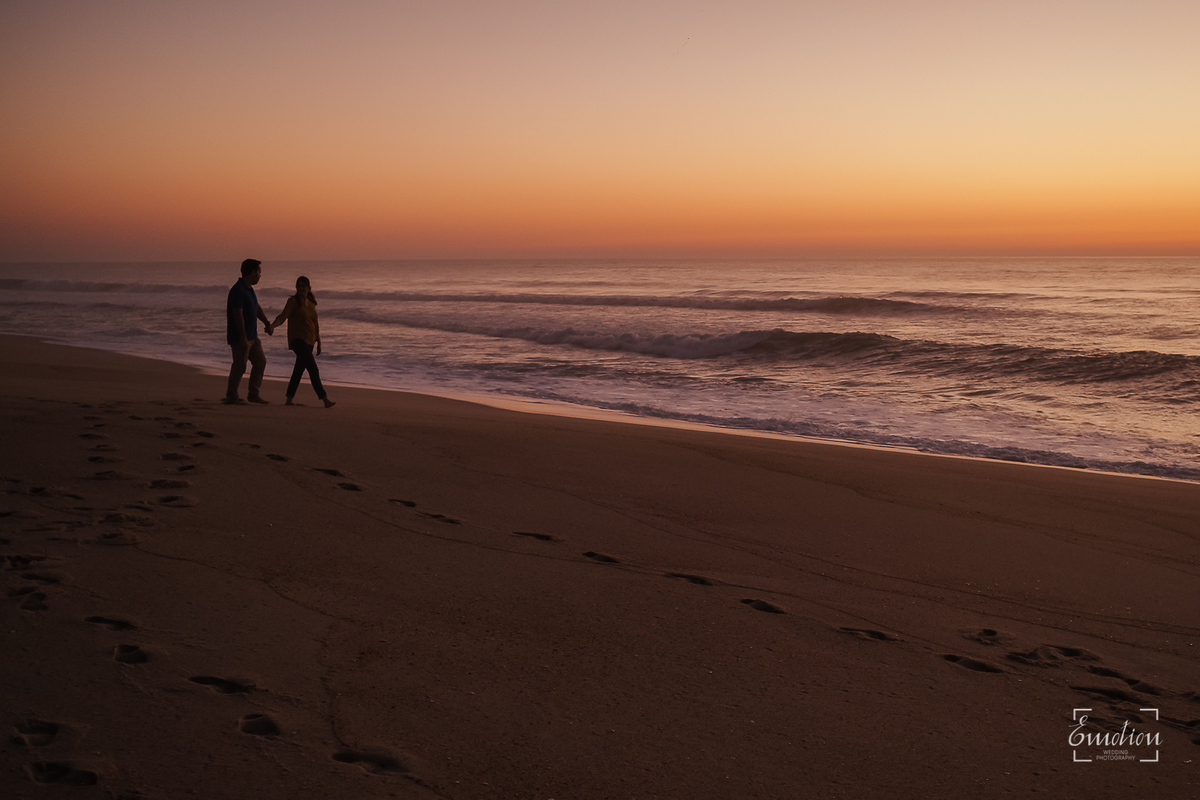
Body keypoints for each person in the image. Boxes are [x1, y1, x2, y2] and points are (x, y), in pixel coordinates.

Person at [270, 275, 335, 408]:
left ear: (309, 288)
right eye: (298, 286)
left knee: (298, 370)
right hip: (297, 340)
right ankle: (324, 398)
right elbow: (283, 316)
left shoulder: (311, 304)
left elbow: (315, 324)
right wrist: (272, 326)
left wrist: (319, 342)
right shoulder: (292, 302)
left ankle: (289, 399)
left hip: (310, 340)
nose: (300, 288)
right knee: (313, 368)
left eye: (303, 286)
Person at [225, 258, 273, 404]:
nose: (260, 275)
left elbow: (256, 308)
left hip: (253, 336)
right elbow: (237, 314)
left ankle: (253, 394)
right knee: (239, 366)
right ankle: (231, 396)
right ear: (252, 272)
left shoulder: (249, 289)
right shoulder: (238, 290)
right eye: (259, 272)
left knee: (260, 362)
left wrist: (266, 323)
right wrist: (243, 338)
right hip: (241, 337)